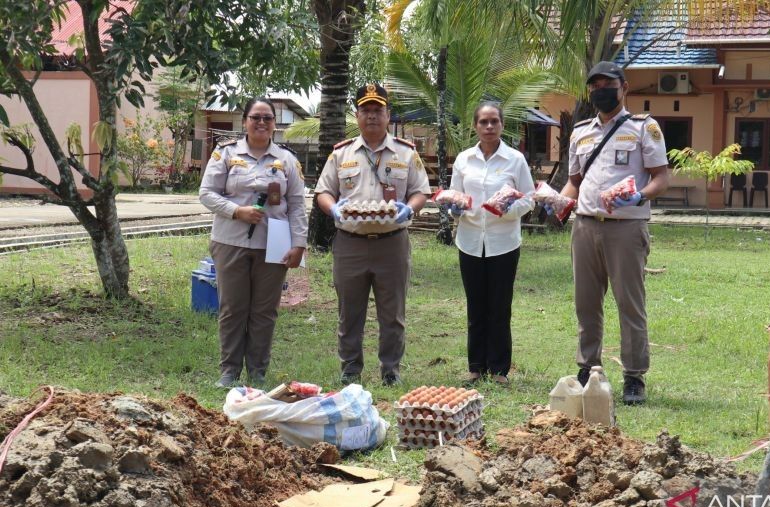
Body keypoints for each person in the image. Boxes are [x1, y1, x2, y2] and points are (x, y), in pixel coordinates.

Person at [560, 61, 669, 405]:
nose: (600, 90)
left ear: (624, 87)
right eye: (595, 86)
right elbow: (574, 182)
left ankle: (634, 376)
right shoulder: (580, 132)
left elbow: (661, 177)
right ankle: (588, 367)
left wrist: (641, 195)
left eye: (608, 84)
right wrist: (556, 202)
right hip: (585, 226)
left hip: (626, 228)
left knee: (629, 304)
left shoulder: (643, 128)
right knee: (586, 304)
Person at [315, 83, 431, 386]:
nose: (371, 115)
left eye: (377, 109)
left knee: (392, 313)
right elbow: (324, 191)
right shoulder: (342, 154)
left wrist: (410, 209)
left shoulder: (405, 153)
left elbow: (421, 191)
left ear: (388, 114)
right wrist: (334, 209)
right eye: (365, 109)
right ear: (357, 115)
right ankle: (350, 368)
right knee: (349, 312)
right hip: (350, 243)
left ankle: (390, 369)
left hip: (391, 243)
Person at [199, 97, 308, 388]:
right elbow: (207, 193)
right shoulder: (225, 153)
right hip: (230, 241)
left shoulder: (286, 159)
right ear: (244, 121)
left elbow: (297, 203)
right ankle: (229, 371)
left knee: (264, 310)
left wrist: (299, 244)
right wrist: (237, 211)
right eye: (256, 117)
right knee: (233, 308)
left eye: (267, 118)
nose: (261, 123)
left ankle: (257, 371)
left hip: (274, 244)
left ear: (275, 124)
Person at [447, 103, 534, 386]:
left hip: (503, 242)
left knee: (499, 306)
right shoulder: (464, 159)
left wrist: (504, 210)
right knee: (475, 304)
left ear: (501, 124)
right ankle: (475, 367)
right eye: (483, 122)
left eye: (494, 121)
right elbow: (455, 196)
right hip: (470, 241)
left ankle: (499, 370)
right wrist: (454, 210)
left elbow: (529, 198)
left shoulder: (515, 159)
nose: (489, 127)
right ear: (475, 126)